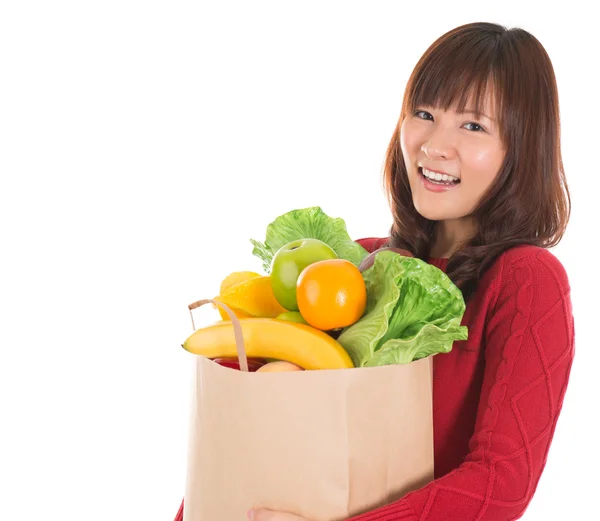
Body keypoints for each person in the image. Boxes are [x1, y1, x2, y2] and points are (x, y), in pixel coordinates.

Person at [174, 21, 575, 521]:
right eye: (424, 113)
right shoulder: (357, 266)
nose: (434, 145)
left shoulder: (526, 279)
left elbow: (500, 485)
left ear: (521, 148)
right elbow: (249, 431)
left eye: (473, 126)